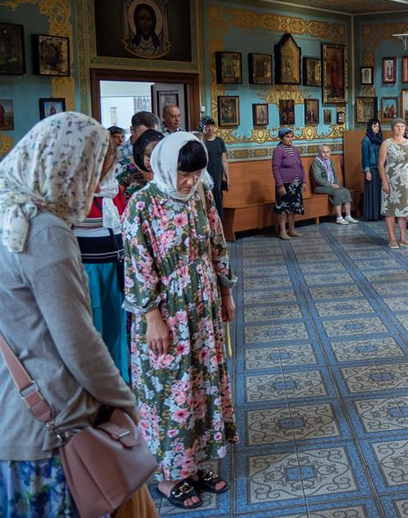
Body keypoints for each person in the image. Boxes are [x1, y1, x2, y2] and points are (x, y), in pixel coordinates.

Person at [0, 113, 136, 516]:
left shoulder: (8, 209)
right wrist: (123, 401)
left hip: (13, 405)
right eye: (93, 169)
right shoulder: (43, 228)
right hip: (51, 423)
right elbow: (77, 339)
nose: (94, 184)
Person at [123, 133, 236, 509]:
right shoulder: (142, 204)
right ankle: (170, 475)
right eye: (184, 174)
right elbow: (138, 266)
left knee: (202, 383)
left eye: (197, 173)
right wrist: (152, 317)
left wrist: (225, 292)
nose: (190, 181)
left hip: (202, 307)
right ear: (166, 167)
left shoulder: (201, 194)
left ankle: (198, 461)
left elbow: (217, 243)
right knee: (172, 392)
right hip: (166, 312)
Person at [73, 130, 130, 382]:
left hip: (115, 266)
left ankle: (118, 378)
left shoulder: (114, 190)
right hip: (86, 269)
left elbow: (124, 221)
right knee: (91, 327)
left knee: (116, 325)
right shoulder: (72, 194)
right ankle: (95, 382)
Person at [379, 118, 408, 248]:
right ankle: (392, 238)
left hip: (406, 181)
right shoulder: (386, 143)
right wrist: (384, 182)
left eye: (402, 126)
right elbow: (380, 164)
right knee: (390, 210)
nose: (400, 128)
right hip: (391, 180)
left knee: (404, 211)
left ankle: (403, 238)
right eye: (397, 126)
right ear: (392, 128)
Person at [271, 128, 306, 240]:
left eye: (291, 136)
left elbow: (301, 166)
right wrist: (280, 185)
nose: (290, 139)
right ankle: (282, 231)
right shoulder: (278, 150)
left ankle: (291, 229)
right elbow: (275, 169)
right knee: (283, 208)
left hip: (296, 183)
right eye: (287, 136)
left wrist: (303, 181)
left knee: (293, 207)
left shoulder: (295, 150)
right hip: (284, 184)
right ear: (282, 138)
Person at [312, 145, 357, 225]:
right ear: (320, 153)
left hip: (332, 185)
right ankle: (339, 217)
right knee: (337, 192)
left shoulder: (330, 161)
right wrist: (331, 185)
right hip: (320, 187)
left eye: (328, 152)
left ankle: (348, 215)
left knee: (345, 191)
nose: (326, 154)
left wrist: (338, 185)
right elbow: (317, 178)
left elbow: (334, 175)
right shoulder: (317, 162)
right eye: (323, 152)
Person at [198, 116, 229, 221]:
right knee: (207, 197)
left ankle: (219, 222)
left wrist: (227, 178)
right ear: (202, 127)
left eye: (212, 126)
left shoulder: (219, 141)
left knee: (217, 197)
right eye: (207, 126)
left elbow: (224, 161)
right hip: (204, 174)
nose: (210, 128)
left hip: (217, 173)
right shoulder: (200, 141)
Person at [361, 118, 383, 221]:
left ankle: (379, 214)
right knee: (371, 192)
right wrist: (367, 171)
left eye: (378, 126)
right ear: (370, 127)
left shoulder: (379, 139)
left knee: (378, 192)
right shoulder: (366, 140)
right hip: (371, 169)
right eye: (374, 126)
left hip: (379, 168)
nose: (377, 128)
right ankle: (371, 215)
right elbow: (364, 157)